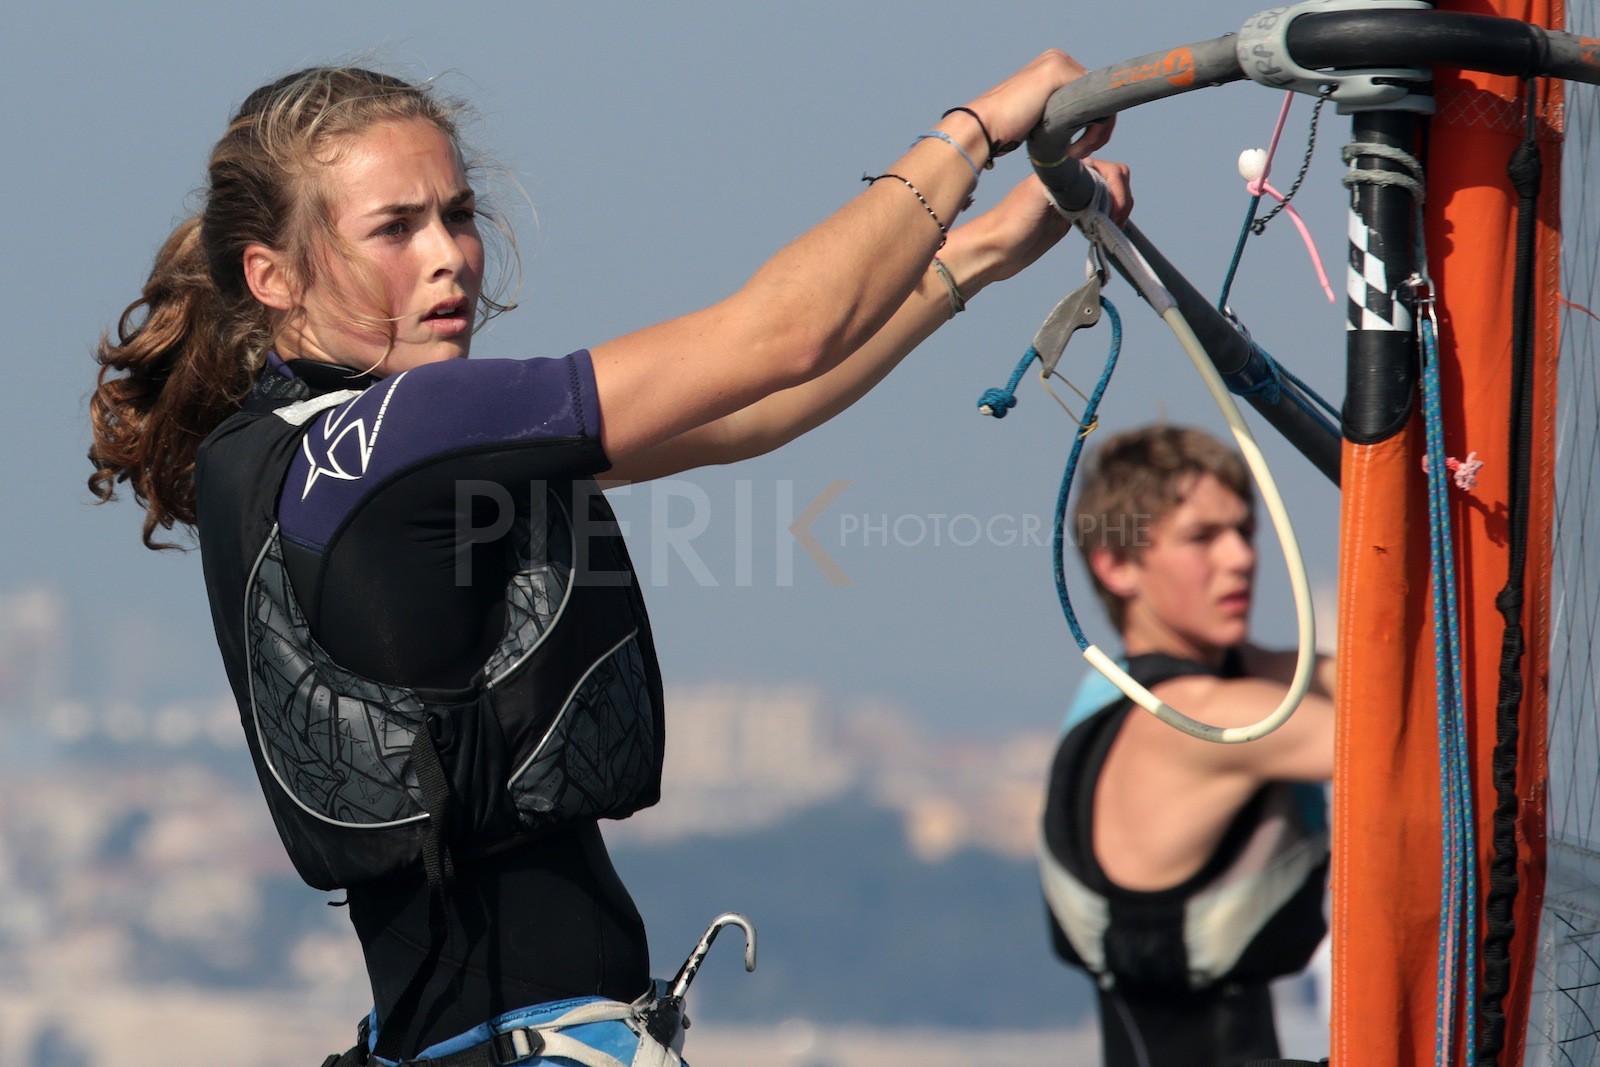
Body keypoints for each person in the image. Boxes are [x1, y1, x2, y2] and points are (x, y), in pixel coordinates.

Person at [88, 60, 1131, 1065]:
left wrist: (986, 248)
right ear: (271, 276)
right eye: (394, 229)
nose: (448, 254)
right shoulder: (407, 435)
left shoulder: (280, 452)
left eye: (456, 214)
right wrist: (974, 132)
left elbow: (748, 411)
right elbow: (776, 337)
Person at [1038, 424, 1336, 1067]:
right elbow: (1404, 733)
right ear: (1117, 566)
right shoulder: (1196, 722)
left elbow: (1346, 675)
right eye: (1203, 537)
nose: (1241, 558)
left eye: (1245, 531)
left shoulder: (1114, 694)